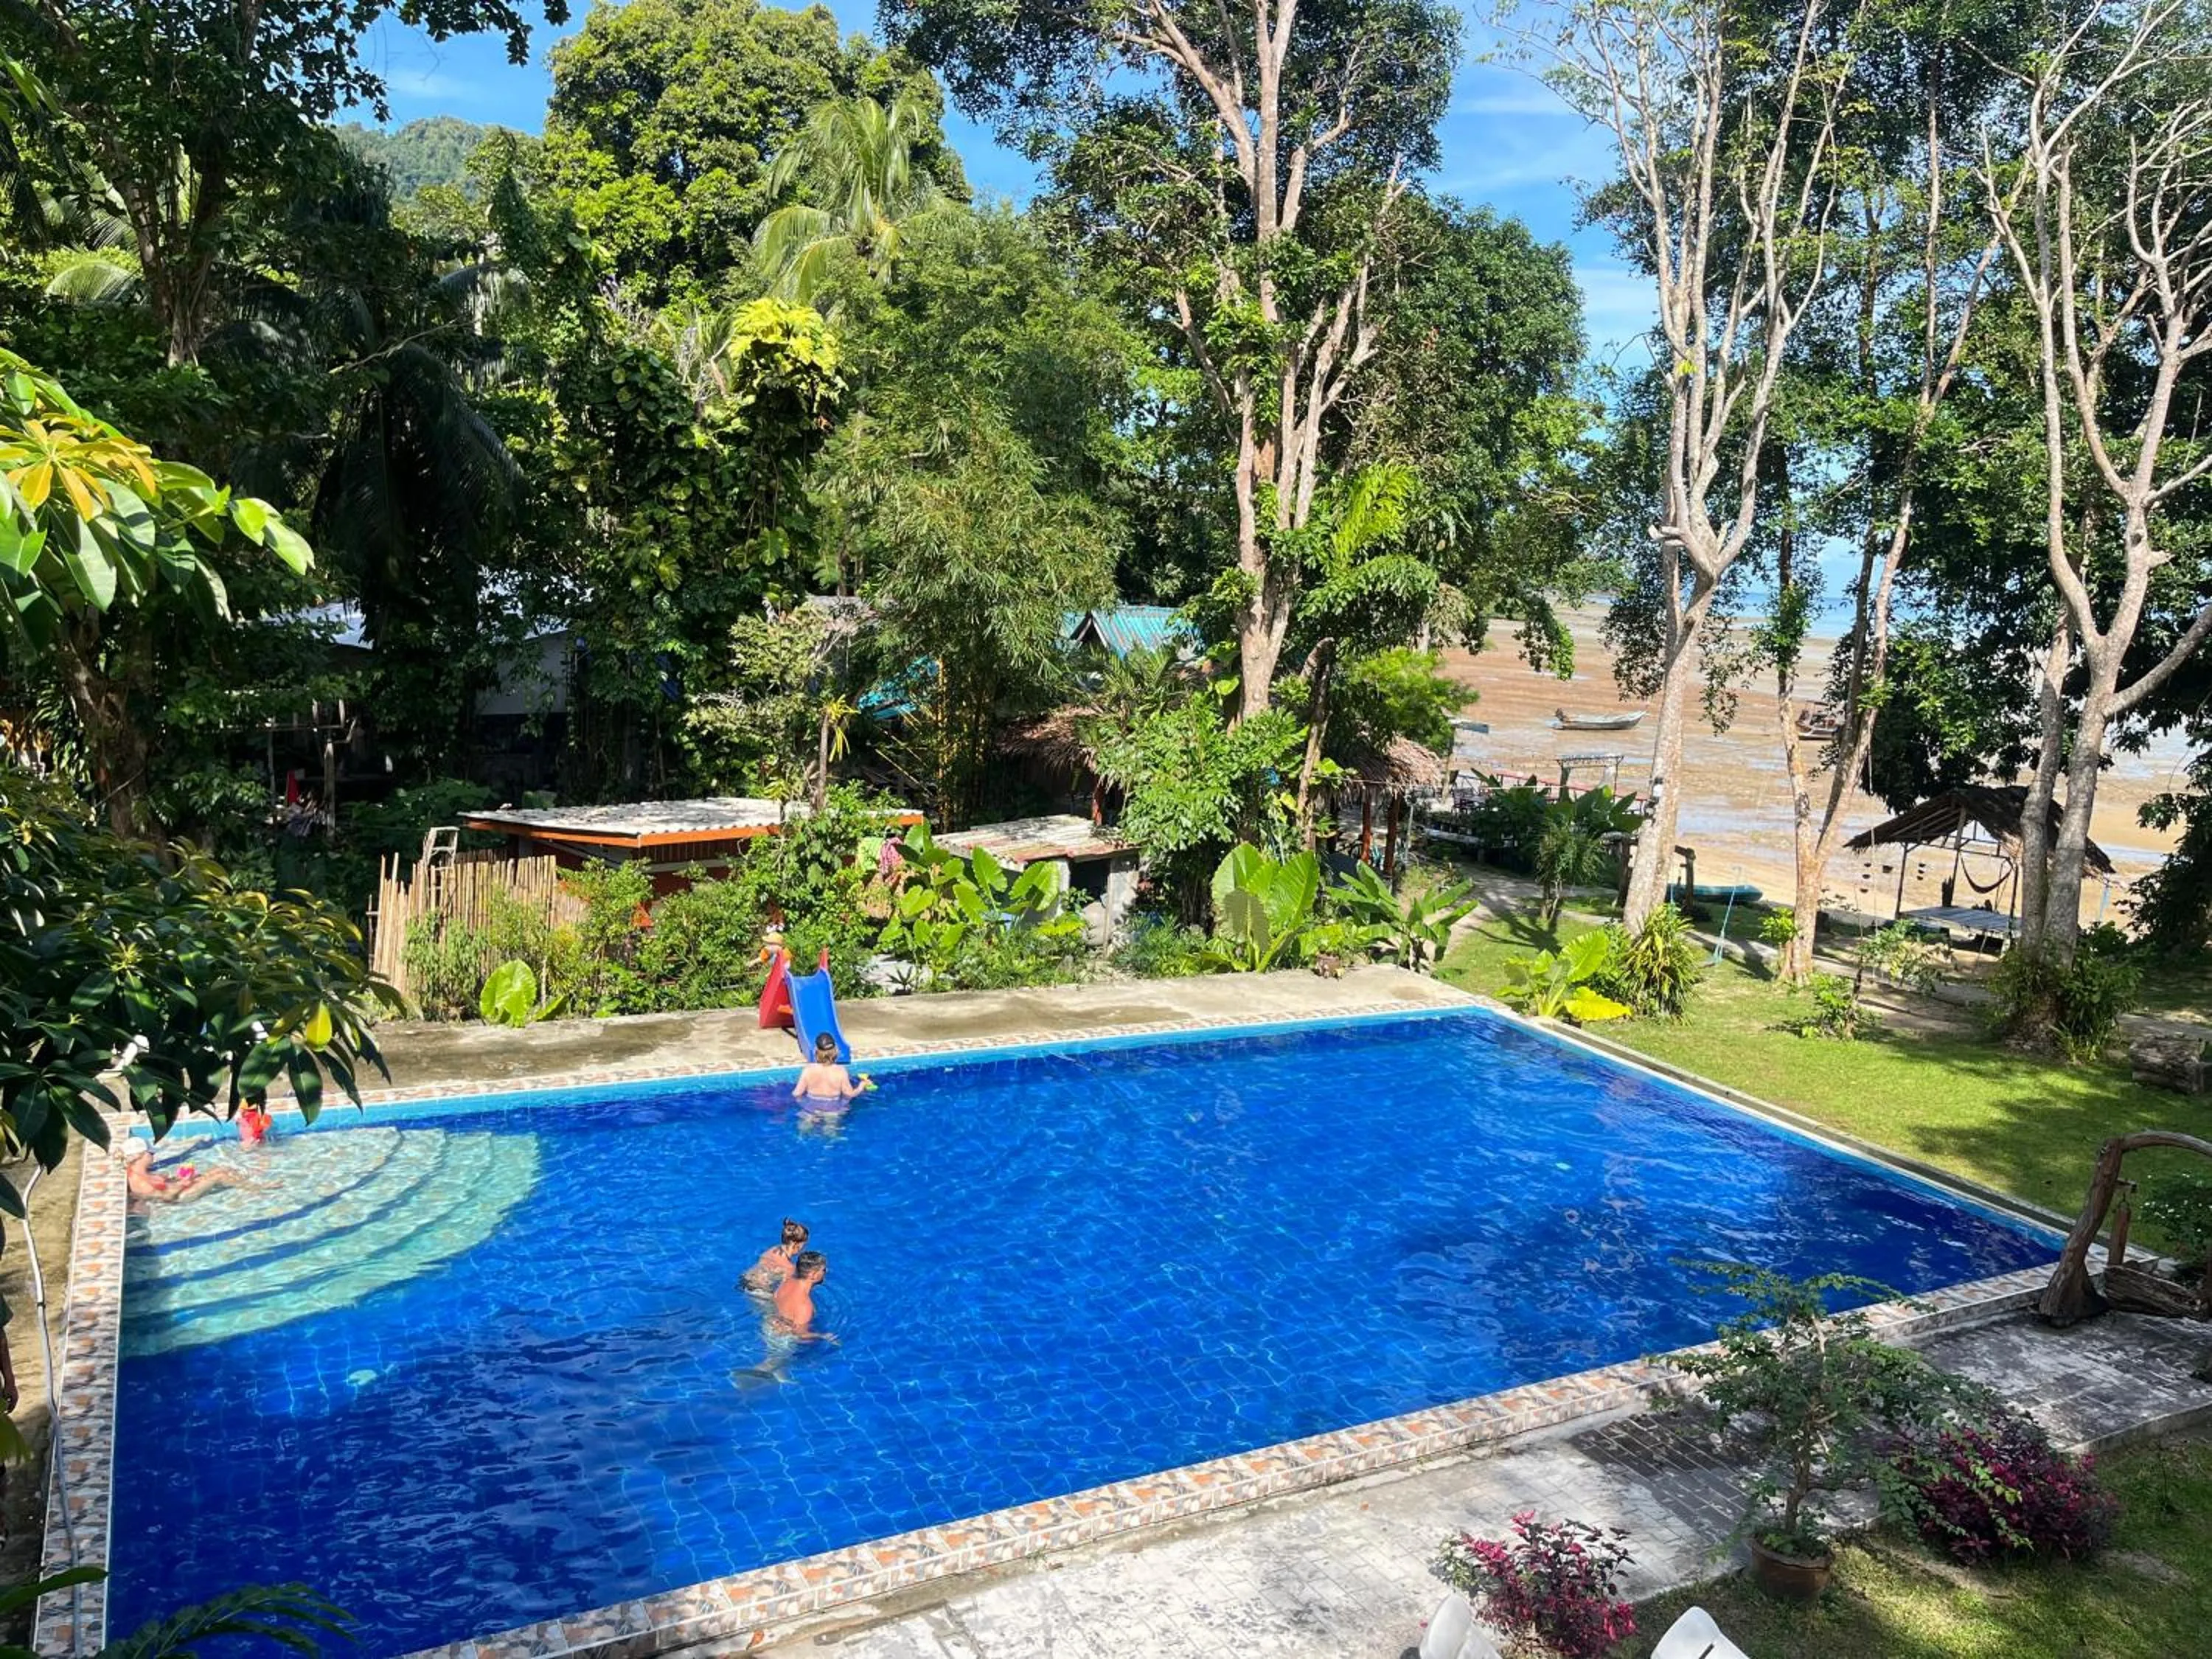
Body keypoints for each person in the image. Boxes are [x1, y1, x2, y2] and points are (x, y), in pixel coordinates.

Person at [122, 1143, 246, 1203]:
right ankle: (254, 1189)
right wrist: (184, 1183)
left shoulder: (138, 1172)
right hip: (179, 1198)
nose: (154, 1155)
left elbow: (164, 1185)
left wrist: (179, 1179)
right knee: (220, 1176)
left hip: (178, 1189)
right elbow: (167, 1196)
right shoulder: (141, 1182)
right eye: (151, 1153)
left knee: (219, 1169)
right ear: (140, 1156)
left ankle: (244, 1182)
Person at [769, 1251, 834, 1343]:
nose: (826, 1271)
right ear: (813, 1275)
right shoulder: (805, 1306)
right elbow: (801, 1336)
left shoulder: (788, 1281)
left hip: (770, 1324)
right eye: (823, 1270)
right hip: (782, 1338)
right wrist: (823, 1336)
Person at [792, 1033, 870, 1105]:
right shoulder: (841, 1071)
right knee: (832, 1118)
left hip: (811, 1106)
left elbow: (797, 1094)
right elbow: (849, 1095)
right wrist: (861, 1086)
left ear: (816, 1052)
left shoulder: (808, 1070)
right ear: (836, 1052)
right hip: (832, 1107)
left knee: (807, 1118)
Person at [740, 1218, 809, 1295]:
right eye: (804, 1245)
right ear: (797, 1245)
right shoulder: (789, 1268)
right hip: (758, 1290)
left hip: (746, 1278)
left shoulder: (773, 1249)